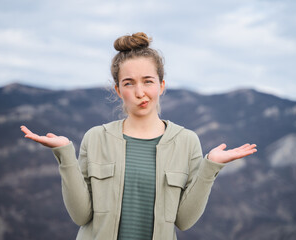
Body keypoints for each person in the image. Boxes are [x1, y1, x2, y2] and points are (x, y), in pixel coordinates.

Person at [20, 32, 257, 240]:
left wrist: (211, 166)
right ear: (118, 90)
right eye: (129, 83)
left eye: (148, 81)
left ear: (162, 85)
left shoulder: (186, 141)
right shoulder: (95, 138)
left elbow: (184, 221)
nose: (140, 92)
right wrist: (64, 155)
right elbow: (80, 216)